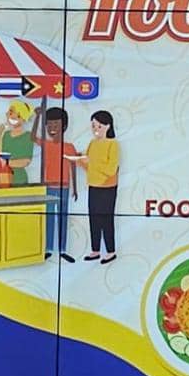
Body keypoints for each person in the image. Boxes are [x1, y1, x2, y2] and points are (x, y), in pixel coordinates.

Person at [66, 109, 119, 264]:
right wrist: (78, 159)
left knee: (106, 220)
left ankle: (110, 251)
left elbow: (110, 169)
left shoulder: (113, 144)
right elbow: (88, 167)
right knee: (93, 219)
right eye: (94, 126)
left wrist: (92, 162)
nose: (96, 130)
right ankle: (95, 250)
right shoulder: (92, 143)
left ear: (108, 126)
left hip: (108, 187)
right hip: (93, 185)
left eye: (99, 126)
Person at [32, 105, 77, 261]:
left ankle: (63, 249)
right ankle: (49, 248)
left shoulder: (69, 147)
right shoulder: (46, 144)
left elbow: (73, 167)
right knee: (49, 218)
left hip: (64, 187)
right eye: (49, 125)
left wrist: (75, 189)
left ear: (63, 126)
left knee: (63, 218)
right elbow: (33, 137)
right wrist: (37, 117)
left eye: (55, 125)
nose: (52, 128)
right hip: (49, 187)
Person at [0, 100, 35, 186]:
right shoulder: (5, 135)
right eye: (10, 113)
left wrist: (6, 164)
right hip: (4, 177)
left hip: (19, 179)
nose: (13, 117)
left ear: (24, 118)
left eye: (18, 115)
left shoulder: (28, 136)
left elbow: (26, 161)